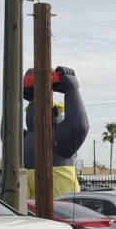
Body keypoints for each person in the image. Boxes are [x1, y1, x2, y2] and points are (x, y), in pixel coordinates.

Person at [23, 66, 89, 199]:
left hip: (61, 205)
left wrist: (72, 89)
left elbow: (79, 125)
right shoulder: (26, 138)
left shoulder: (55, 137)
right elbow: (79, 124)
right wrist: (71, 89)